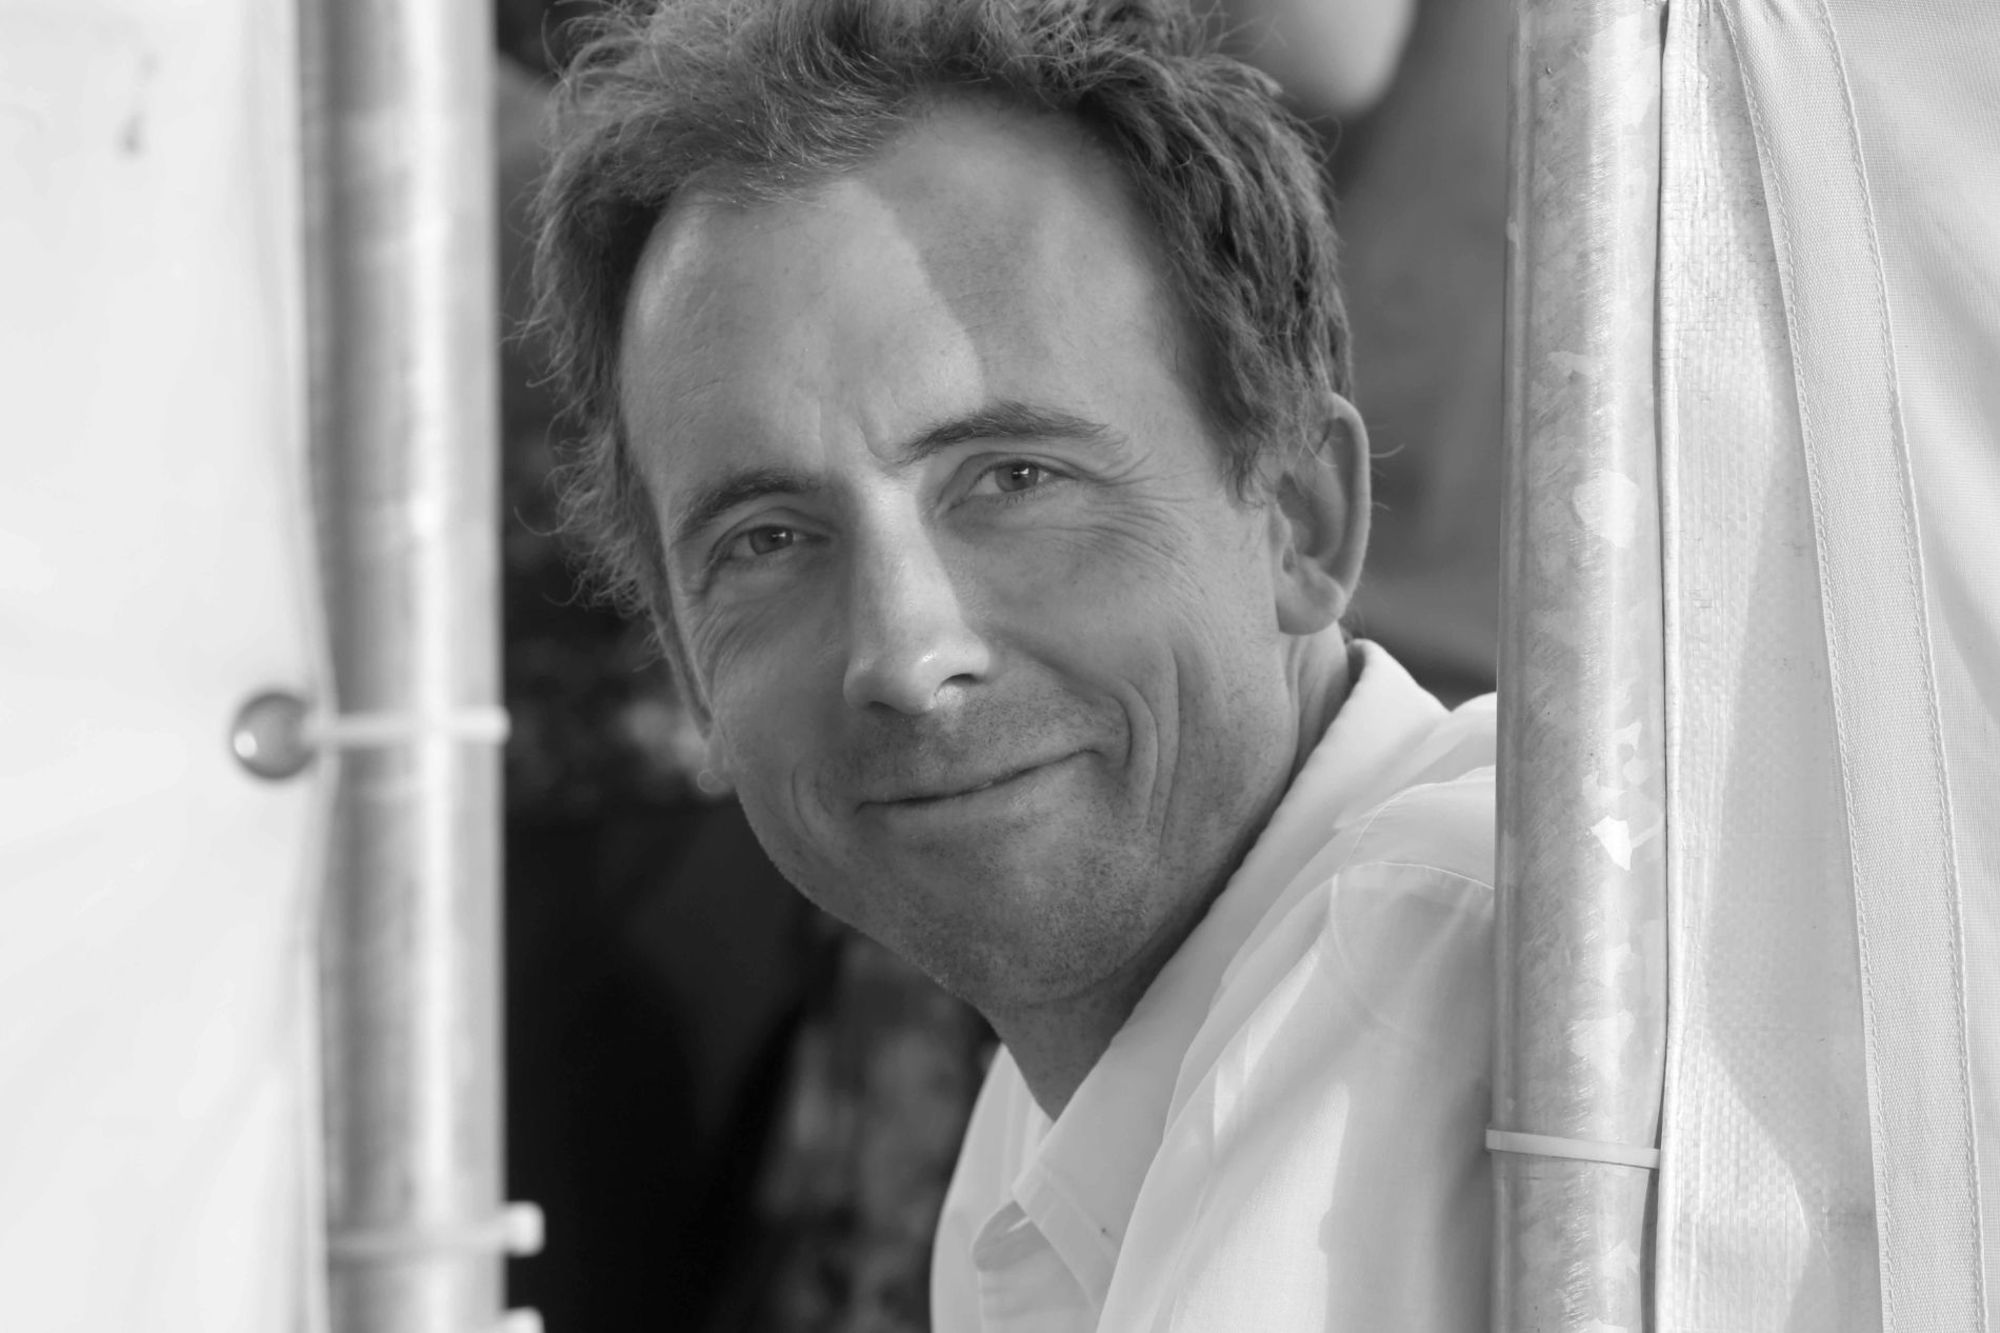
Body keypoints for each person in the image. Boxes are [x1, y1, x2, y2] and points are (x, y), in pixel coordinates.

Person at [530, 1, 1496, 1327]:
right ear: (685, 664)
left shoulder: (1449, 986)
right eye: (768, 539)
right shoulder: (1051, 1106)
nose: (906, 650)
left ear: (1299, 516)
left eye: (1013, 479)